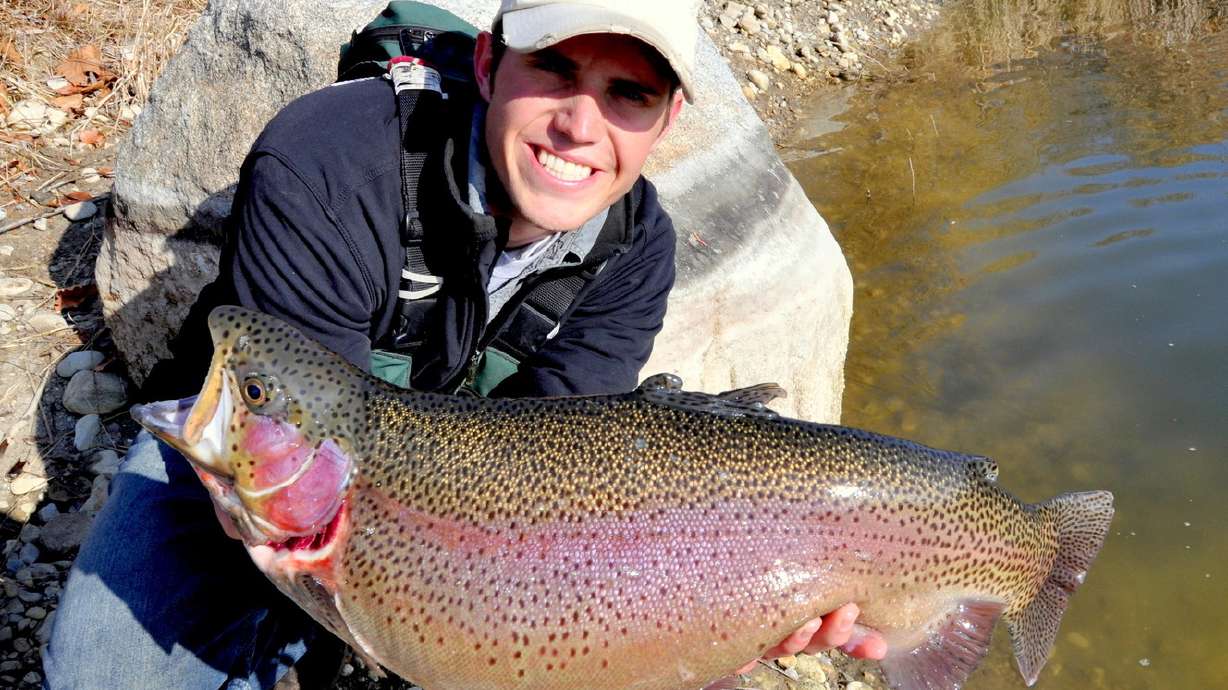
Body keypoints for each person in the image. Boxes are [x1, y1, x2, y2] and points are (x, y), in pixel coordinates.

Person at [43, 1, 885, 687]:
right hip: (269, 471)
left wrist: (714, 617)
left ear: (664, 123)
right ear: (487, 65)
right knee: (99, 678)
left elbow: (566, 474)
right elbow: (299, 428)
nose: (579, 127)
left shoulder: (636, 249)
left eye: (628, 93)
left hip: (480, 503)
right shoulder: (329, 162)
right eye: (554, 68)